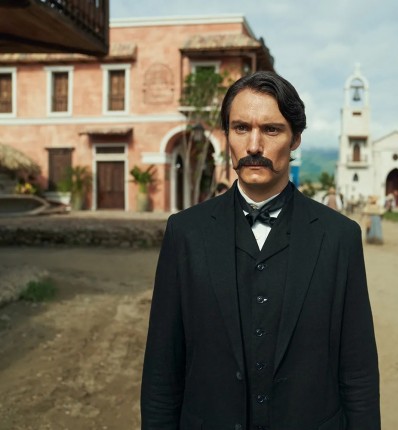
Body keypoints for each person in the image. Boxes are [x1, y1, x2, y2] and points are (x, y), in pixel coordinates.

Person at [141, 71, 380, 430]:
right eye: (241, 128)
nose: (254, 146)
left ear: (295, 138)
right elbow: (163, 367)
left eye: (271, 129)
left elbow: (358, 371)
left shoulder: (339, 238)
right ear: (227, 136)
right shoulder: (185, 233)